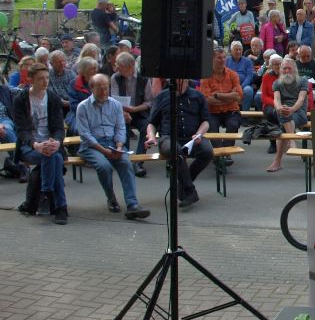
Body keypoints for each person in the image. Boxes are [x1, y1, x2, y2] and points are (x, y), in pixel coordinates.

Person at [75, 73, 150, 219]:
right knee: (104, 167)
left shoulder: (115, 104)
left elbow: (120, 128)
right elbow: (85, 134)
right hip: (92, 146)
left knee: (126, 164)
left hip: (112, 143)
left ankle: (132, 204)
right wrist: (103, 150)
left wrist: (119, 146)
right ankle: (111, 198)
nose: (104, 92)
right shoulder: (83, 107)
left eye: (106, 88)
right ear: (92, 88)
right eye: (100, 89)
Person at [12, 64, 68, 225]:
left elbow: (59, 127)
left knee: (53, 157)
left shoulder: (53, 97)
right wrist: (35, 144)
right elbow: (21, 130)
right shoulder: (21, 99)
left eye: (47, 78)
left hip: (51, 145)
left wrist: (56, 141)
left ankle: (46, 192)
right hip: (29, 146)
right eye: (40, 79)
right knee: (54, 158)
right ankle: (59, 206)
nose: (45, 82)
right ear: (30, 80)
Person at [146, 78, 213, 209]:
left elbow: (206, 121)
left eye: (181, 79)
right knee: (175, 150)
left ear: (187, 80)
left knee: (207, 151)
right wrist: (152, 137)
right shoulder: (162, 96)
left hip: (192, 137)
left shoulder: (198, 96)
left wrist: (199, 133)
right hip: (168, 138)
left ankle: (183, 186)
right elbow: (152, 123)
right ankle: (189, 191)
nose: (178, 82)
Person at [266, 58, 309, 172]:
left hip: (299, 112)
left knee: (282, 128)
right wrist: (279, 108)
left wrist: (291, 109)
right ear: (281, 70)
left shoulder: (303, 81)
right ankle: (291, 139)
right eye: (284, 68)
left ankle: (277, 162)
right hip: (285, 113)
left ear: (295, 69)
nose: (287, 71)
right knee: (282, 111)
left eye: (289, 68)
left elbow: (301, 100)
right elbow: (276, 100)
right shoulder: (277, 83)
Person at [202, 47, 243, 135]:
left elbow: (239, 96)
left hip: (231, 110)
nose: (223, 60)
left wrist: (217, 95)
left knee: (233, 125)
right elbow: (207, 100)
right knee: (211, 128)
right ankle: (217, 144)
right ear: (212, 59)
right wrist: (230, 97)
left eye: (224, 57)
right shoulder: (206, 75)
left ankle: (228, 144)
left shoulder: (233, 74)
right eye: (219, 58)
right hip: (212, 112)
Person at [225, 40, 256, 110]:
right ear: (231, 51)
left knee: (248, 90)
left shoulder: (247, 61)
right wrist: (233, 87)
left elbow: (249, 76)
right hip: (229, 85)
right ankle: (229, 111)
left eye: (240, 49)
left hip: (244, 85)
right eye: (236, 50)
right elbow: (224, 74)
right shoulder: (226, 60)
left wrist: (241, 87)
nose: (238, 51)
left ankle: (245, 113)